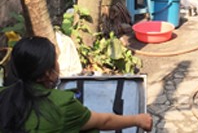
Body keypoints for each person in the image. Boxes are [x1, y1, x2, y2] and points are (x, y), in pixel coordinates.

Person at [0, 36, 153, 132]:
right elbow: (104, 121)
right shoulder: (61, 105)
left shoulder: (3, 95)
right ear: (46, 73)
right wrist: (138, 120)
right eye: (55, 61)